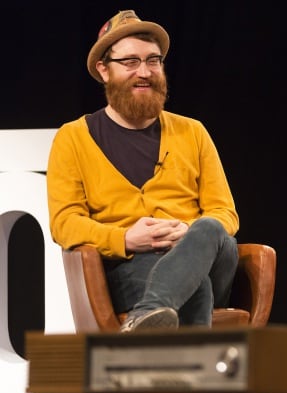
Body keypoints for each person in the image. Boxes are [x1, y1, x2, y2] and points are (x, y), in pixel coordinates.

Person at [47, 10, 240, 332]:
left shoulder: (192, 131)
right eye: (130, 62)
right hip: (131, 265)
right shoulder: (73, 137)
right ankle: (189, 376)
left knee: (208, 229)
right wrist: (125, 238)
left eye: (153, 61)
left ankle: (145, 314)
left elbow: (225, 213)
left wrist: (187, 231)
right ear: (103, 70)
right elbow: (65, 222)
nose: (145, 72)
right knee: (196, 286)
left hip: (206, 254)